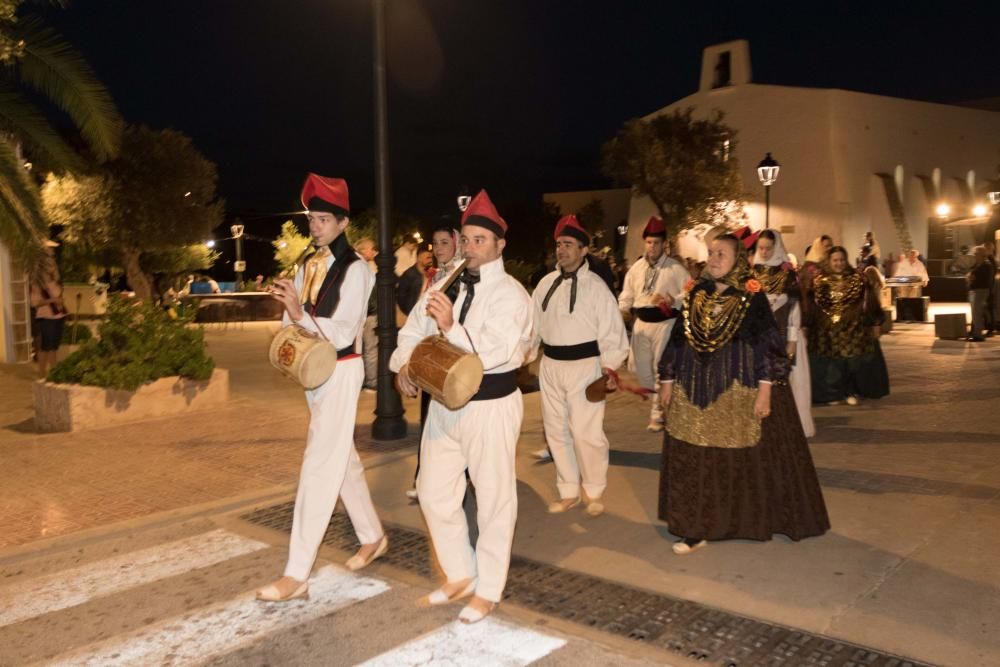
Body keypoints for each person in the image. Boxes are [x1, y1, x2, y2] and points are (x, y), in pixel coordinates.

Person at [391, 190, 532, 624]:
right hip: (444, 405)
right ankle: (459, 573)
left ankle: (488, 589)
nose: (469, 248)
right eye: (466, 239)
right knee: (433, 491)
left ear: (499, 245)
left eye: (479, 241)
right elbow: (414, 327)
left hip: (490, 404)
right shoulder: (445, 281)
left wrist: (451, 326)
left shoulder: (512, 294)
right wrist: (404, 367)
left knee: (493, 499)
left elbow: (501, 352)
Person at [256, 173, 387, 602]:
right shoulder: (306, 263)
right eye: (312, 218)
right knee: (340, 458)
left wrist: (297, 313)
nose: (315, 226)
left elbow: (345, 331)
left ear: (344, 223)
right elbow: (293, 321)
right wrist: (288, 312)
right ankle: (372, 535)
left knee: (318, 465)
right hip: (313, 372)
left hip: (342, 371)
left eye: (324, 219)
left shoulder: (358, 270)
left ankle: (297, 574)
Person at [657, 233, 829, 555]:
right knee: (695, 457)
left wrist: (765, 393)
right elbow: (677, 340)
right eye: (711, 253)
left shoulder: (752, 298)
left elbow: (768, 348)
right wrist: (667, 380)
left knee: (727, 458)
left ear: (738, 259)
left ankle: (725, 521)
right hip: (693, 389)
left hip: (736, 388)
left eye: (721, 253)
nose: (714, 259)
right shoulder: (696, 294)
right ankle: (694, 527)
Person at [531, 215, 629, 517]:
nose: (562, 250)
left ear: (584, 250)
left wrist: (610, 368)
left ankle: (595, 488)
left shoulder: (596, 287)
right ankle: (569, 489)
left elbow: (613, 330)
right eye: (559, 244)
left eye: (569, 245)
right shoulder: (545, 284)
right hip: (551, 366)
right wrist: (521, 355)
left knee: (587, 432)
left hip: (586, 366)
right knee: (556, 430)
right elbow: (532, 327)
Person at [405, 222, 463, 501]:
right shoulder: (433, 276)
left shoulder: (463, 276)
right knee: (428, 419)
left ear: (456, 243)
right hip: (433, 356)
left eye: (444, 242)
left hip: (454, 357)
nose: (439, 248)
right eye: (435, 243)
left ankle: (457, 480)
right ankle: (423, 476)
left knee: (454, 423)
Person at [617, 217, 690, 432]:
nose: (652, 246)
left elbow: (690, 290)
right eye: (649, 242)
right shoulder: (636, 268)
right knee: (641, 371)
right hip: (641, 324)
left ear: (664, 244)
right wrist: (622, 310)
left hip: (665, 324)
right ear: (645, 243)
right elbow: (627, 293)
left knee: (661, 369)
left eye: (656, 243)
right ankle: (663, 404)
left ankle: (657, 415)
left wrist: (674, 300)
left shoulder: (675, 268)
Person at [751, 229, 815, 438]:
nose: (765, 252)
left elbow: (795, 306)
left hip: (785, 331)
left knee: (791, 379)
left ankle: (793, 425)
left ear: (776, 247)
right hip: (760, 332)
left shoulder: (786, 272)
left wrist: (793, 339)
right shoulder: (752, 272)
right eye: (761, 248)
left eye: (768, 248)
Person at [808, 246, 890, 405]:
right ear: (829, 261)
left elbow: (870, 301)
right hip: (827, 333)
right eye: (835, 260)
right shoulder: (819, 280)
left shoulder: (857, 279)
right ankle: (833, 394)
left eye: (841, 260)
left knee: (854, 363)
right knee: (831, 365)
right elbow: (812, 306)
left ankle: (850, 392)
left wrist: (875, 323)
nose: (838, 263)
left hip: (854, 331)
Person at [30, 242, 67, 377]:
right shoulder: (37, 281)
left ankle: (50, 372)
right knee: (47, 346)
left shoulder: (55, 279)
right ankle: (46, 373)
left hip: (59, 316)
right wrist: (52, 300)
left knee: (53, 347)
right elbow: (34, 303)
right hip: (46, 317)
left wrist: (60, 301)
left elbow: (59, 295)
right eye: (49, 259)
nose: (52, 262)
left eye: (53, 259)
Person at [355, 238, 379, 391]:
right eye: (371, 248)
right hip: (368, 314)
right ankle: (371, 382)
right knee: (371, 349)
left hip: (359, 316)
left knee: (361, 349)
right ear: (363, 250)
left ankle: (362, 380)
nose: (374, 251)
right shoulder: (363, 267)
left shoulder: (358, 265)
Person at [397, 247, 433, 315]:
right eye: (428, 258)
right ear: (419, 258)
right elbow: (401, 298)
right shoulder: (409, 275)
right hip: (414, 314)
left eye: (431, 257)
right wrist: (410, 314)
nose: (430, 260)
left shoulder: (430, 273)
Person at [967, 245, 992, 342]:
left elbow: (981, 280)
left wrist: (971, 278)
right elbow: (971, 275)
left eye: (976, 254)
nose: (974, 256)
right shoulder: (978, 264)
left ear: (982, 254)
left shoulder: (986, 265)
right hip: (975, 290)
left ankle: (978, 335)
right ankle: (975, 332)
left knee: (977, 313)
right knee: (975, 313)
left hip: (980, 291)